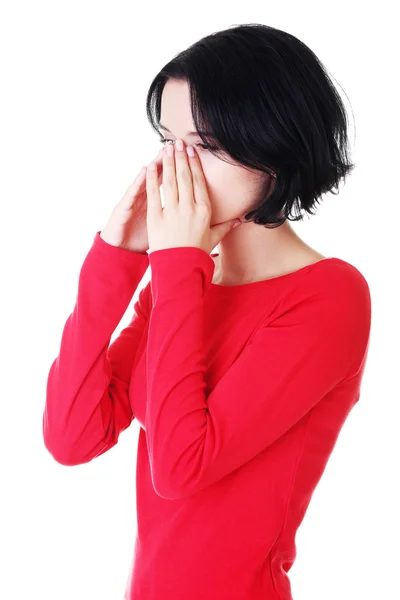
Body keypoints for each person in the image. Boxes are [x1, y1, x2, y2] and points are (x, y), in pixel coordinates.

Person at [42, 23, 372, 600]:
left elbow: (180, 468)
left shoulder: (329, 296)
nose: (177, 168)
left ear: (277, 148)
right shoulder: (185, 284)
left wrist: (175, 266)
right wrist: (114, 261)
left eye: (207, 146)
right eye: (168, 140)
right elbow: (73, 438)